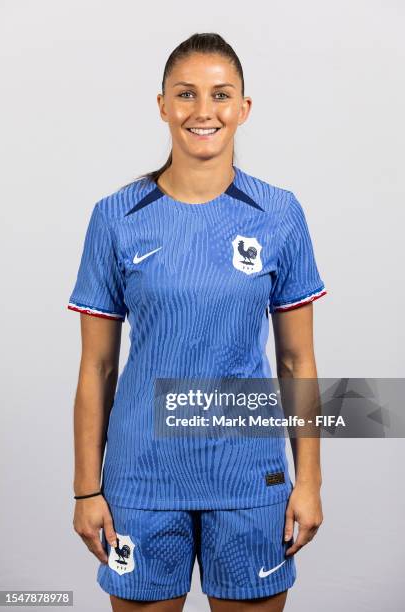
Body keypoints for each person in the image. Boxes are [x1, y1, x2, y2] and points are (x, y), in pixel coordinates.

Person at [68, 32, 326, 612]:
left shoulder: (279, 214)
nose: (203, 111)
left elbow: (296, 361)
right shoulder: (116, 217)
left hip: (247, 476)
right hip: (141, 478)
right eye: (185, 94)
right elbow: (97, 366)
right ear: (162, 105)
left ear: (243, 108)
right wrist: (87, 488)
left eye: (220, 95)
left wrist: (308, 482)